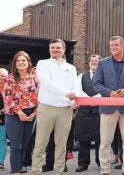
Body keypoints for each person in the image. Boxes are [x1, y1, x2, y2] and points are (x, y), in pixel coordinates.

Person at [93, 35, 124, 175]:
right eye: (112, 45)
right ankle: (105, 170)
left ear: (123, 46)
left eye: (116, 45)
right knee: (105, 141)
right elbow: (96, 84)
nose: (114, 47)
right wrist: (109, 93)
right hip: (108, 107)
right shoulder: (102, 64)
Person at [31, 38, 80, 175]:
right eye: (52, 48)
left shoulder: (71, 68)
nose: (55, 50)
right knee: (41, 143)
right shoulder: (43, 64)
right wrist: (66, 93)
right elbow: (47, 82)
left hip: (65, 109)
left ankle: (58, 172)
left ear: (64, 50)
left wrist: (75, 100)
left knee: (61, 143)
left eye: (58, 48)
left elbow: (75, 85)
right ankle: (36, 171)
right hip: (47, 107)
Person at [0, 52, 39, 175]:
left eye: (23, 60)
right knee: (16, 146)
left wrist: (35, 113)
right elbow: (7, 99)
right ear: (15, 64)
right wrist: (19, 112)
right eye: (18, 61)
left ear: (28, 63)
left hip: (31, 114)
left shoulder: (35, 79)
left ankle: (19, 169)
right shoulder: (9, 79)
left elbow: (41, 97)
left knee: (25, 145)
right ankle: (15, 172)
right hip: (14, 115)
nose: (21, 62)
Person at [74, 54, 102, 172]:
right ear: (89, 63)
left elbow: (105, 90)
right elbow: (77, 90)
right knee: (83, 138)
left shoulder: (104, 76)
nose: (94, 62)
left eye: (96, 61)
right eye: (92, 61)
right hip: (84, 110)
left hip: (99, 110)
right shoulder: (81, 76)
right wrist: (88, 100)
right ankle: (83, 163)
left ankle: (101, 161)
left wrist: (96, 99)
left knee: (100, 139)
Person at [0, 68, 7, 171]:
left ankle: (0, 162)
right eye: (0, 76)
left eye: (4, 76)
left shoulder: (9, 88)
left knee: (2, 140)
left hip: (3, 117)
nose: (1, 78)